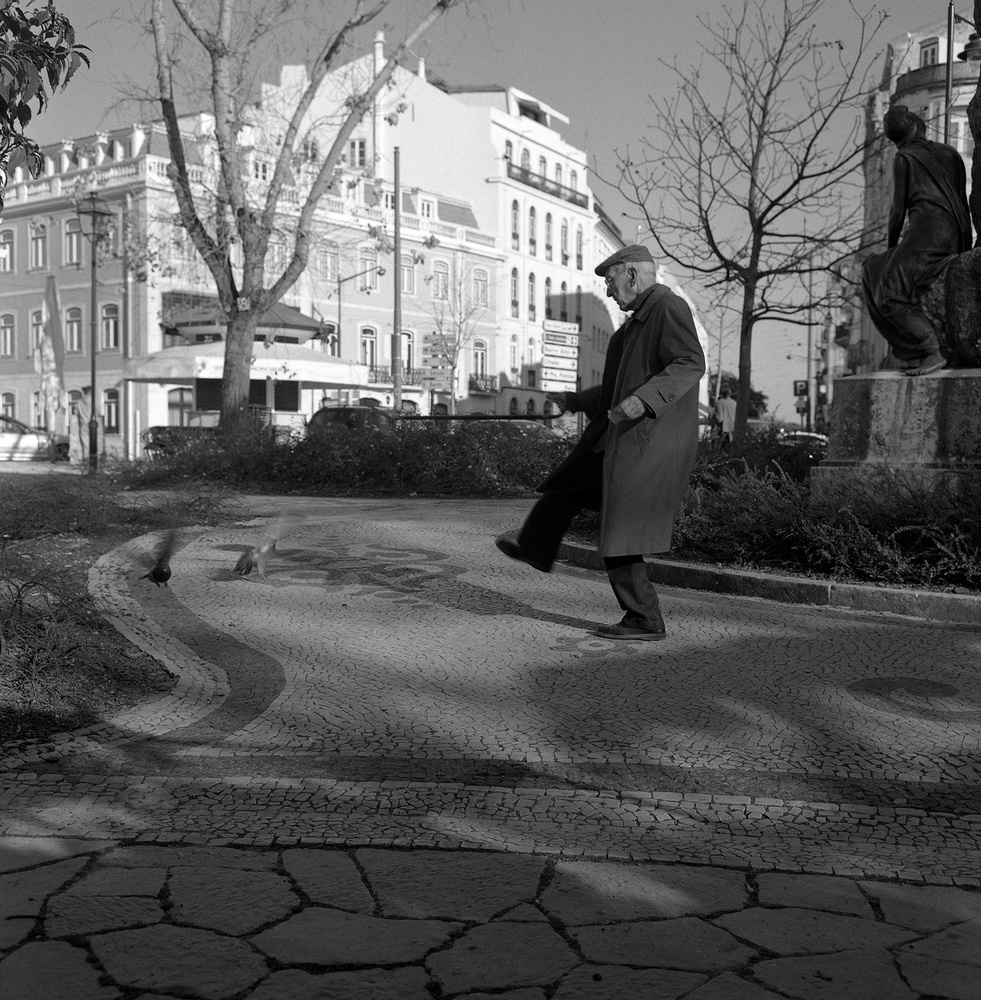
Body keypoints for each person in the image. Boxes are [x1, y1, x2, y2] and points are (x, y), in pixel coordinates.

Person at [495, 245, 705, 640]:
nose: (608, 290)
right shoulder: (631, 327)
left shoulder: (667, 306)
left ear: (632, 275)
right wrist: (574, 400)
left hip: (646, 443)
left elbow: (690, 362)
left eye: (610, 281)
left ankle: (644, 618)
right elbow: (613, 392)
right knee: (567, 485)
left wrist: (644, 400)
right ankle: (536, 547)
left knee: (619, 531)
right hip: (620, 439)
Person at [862, 105, 972, 376]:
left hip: (927, 233)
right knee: (870, 270)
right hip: (950, 233)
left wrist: (891, 249)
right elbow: (962, 201)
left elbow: (897, 212)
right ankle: (911, 349)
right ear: (915, 126)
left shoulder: (904, 158)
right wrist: (964, 245)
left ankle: (930, 349)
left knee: (888, 291)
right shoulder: (950, 153)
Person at [68, 386, 93, 466]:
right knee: (94, 443)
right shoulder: (94, 401)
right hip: (93, 425)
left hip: (83, 424)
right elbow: (98, 412)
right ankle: (93, 459)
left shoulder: (80, 402)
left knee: (85, 443)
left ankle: (86, 459)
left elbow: (75, 413)